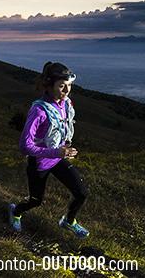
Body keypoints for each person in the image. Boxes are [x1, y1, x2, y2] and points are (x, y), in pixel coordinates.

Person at [8, 61, 89, 238]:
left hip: (58, 158)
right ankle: (16, 211)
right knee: (36, 201)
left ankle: (68, 221)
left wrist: (64, 149)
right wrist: (56, 152)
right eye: (61, 86)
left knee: (81, 193)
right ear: (49, 86)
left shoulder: (66, 103)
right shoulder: (39, 110)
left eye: (69, 85)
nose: (67, 91)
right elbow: (24, 146)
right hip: (39, 163)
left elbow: (60, 129)